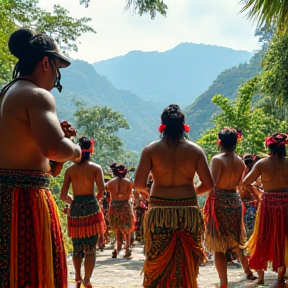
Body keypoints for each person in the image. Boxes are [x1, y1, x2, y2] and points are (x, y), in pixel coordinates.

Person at [0, 28, 81, 288]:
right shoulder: (36, 95)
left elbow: (47, 165)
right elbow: (54, 149)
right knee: (32, 274)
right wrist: (75, 150)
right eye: (57, 68)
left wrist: (58, 153)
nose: (56, 77)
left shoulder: (5, 94)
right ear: (46, 62)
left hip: (4, 196)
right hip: (24, 202)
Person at [134, 104, 214, 288]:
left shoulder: (151, 150)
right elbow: (208, 184)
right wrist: (189, 193)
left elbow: (138, 184)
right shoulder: (195, 150)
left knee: (157, 258)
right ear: (183, 125)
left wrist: (149, 195)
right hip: (188, 212)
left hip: (159, 211)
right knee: (187, 261)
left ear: (163, 125)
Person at [203, 127, 256, 288]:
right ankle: (247, 271)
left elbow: (211, 184)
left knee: (218, 244)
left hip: (218, 201)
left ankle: (224, 283)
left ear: (220, 142)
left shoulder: (217, 160)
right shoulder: (240, 162)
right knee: (235, 240)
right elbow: (240, 185)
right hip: (234, 200)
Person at [242, 133, 288, 287]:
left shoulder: (262, 164)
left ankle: (260, 277)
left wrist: (257, 194)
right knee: (284, 239)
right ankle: (280, 276)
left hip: (268, 204)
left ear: (269, 147)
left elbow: (245, 182)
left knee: (262, 238)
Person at [60, 137, 106, 288]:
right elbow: (101, 192)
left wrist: (73, 202)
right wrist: (95, 201)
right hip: (91, 209)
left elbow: (63, 195)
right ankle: (87, 279)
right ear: (90, 150)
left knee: (77, 247)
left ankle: (78, 277)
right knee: (90, 249)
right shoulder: (95, 168)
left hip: (75, 210)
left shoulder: (70, 171)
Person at [105, 163, 135, 259]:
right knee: (128, 228)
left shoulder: (109, 183)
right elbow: (129, 194)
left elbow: (106, 192)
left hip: (114, 206)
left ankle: (117, 248)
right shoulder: (129, 183)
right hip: (125, 205)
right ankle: (127, 248)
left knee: (117, 228)